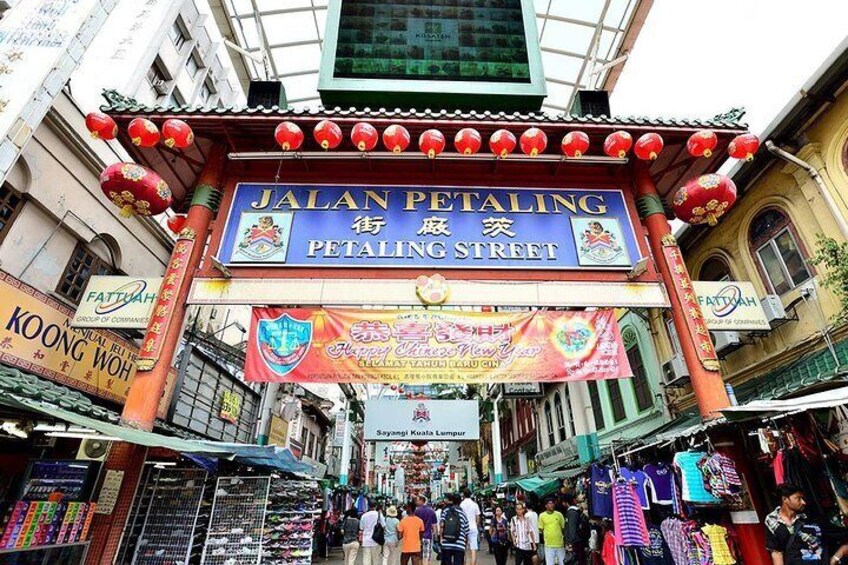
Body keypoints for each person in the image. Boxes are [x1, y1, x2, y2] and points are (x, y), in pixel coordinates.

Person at [766, 484, 848, 565]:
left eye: (803, 498)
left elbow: (843, 536)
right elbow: (777, 553)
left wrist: (836, 557)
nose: (803, 502)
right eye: (798, 498)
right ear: (785, 499)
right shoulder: (772, 520)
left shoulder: (812, 517)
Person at [441, 494, 471, 565]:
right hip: (459, 544)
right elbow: (466, 531)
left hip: (446, 543)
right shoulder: (463, 514)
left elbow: (442, 526)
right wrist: (465, 544)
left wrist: (441, 539)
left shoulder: (446, 511)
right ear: (460, 502)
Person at [538, 498, 566, 565]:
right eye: (550, 503)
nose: (552, 505)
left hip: (560, 544)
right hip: (548, 545)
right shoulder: (542, 516)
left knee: (562, 563)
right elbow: (540, 529)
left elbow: (563, 527)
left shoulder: (559, 515)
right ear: (546, 506)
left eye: (552, 503)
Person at [564, 493, 588, 565]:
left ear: (565, 503)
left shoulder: (571, 513)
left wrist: (570, 543)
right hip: (579, 541)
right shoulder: (577, 511)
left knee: (576, 560)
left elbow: (572, 529)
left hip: (576, 542)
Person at [460, 489, 482, 565]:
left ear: (463, 495)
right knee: (473, 549)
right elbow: (478, 516)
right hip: (473, 527)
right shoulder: (475, 504)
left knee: (463, 548)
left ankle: (464, 563)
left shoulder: (462, 504)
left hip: (464, 528)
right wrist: (476, 524)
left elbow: (461, 517)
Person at [416, 495, 438, 565]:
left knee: (419, 556)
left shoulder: (416, 511)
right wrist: (436, 537)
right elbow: (434, 525)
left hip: (418, 537)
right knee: (426, 556)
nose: (417, 502)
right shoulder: (431, 511)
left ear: (422, 501)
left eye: (418, 500)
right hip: (428, 536)